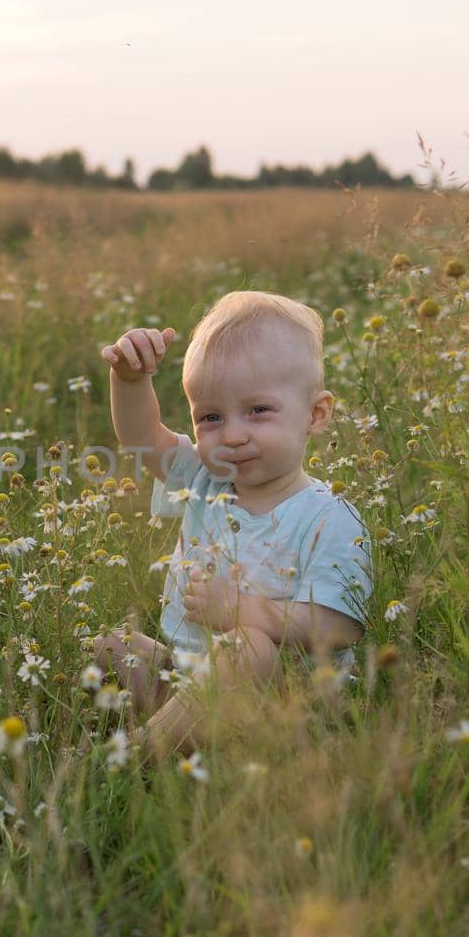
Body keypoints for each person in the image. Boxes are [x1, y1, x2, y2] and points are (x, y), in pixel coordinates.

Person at [93, 290, 370, 754]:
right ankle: (183, 726)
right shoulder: (206, 477)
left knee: (249, 646)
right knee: (110, 646)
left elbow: (338, 626)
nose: (235, 435)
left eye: (258, 411)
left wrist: (244, 610)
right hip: (192, 674)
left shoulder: (329, 515)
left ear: (316, 414)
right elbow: (142, 438)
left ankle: (140, 753)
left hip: (284, 696)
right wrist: (129, 379)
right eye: (211, 417)